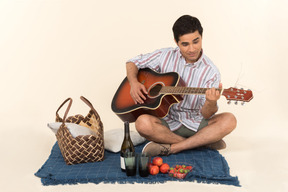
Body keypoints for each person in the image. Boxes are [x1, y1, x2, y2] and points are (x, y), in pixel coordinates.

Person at [125, 15, 237, 156]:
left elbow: (206, 114)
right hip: (166, 121)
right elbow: (132, 62)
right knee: (141, 123)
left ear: (201, 38)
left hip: (196, 123)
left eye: (196, 42)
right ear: (176, 42)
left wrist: (211, 101)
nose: (192, 49)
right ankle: (200, 143)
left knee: (229, 120)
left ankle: (174, 148)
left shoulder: (211, 72)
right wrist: (134, 83)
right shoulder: (164, 55)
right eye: (185, 44)